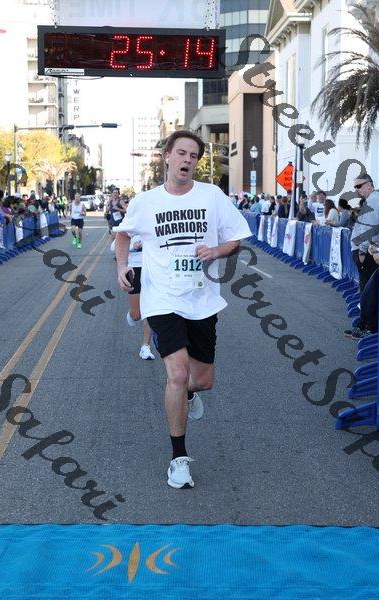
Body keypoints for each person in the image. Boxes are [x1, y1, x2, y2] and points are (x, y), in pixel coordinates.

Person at [115, 130, 251, 489]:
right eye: (181, 153)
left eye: (193, 156)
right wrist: (122, 266)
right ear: (167, 156)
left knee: (201, 380)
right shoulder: (146, 202)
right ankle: (178, 459)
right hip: (163, 299)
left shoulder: (212, 196)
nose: (187, 160)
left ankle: (189, 394)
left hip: (202, 299)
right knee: (176, 373)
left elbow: (236, 237)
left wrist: (217, 251)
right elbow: (123, 234)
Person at [120, 233, 156, 360]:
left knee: (150, 309)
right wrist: (132, 246)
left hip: (153, 268)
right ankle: (132, 314)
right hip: (134, 269)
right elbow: (114, 246)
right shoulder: (131, 225)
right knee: (137, 315)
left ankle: (145, 347)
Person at [350, 173, 379, 292]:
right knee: (371, 290)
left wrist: (362, 252)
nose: (356, 189)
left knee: (368, 291)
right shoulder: (373, 200)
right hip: (372, 249)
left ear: (369, 185)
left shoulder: (373, 201)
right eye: (355, 187)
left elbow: (369, 229)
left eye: (359, 186)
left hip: (369, 251)